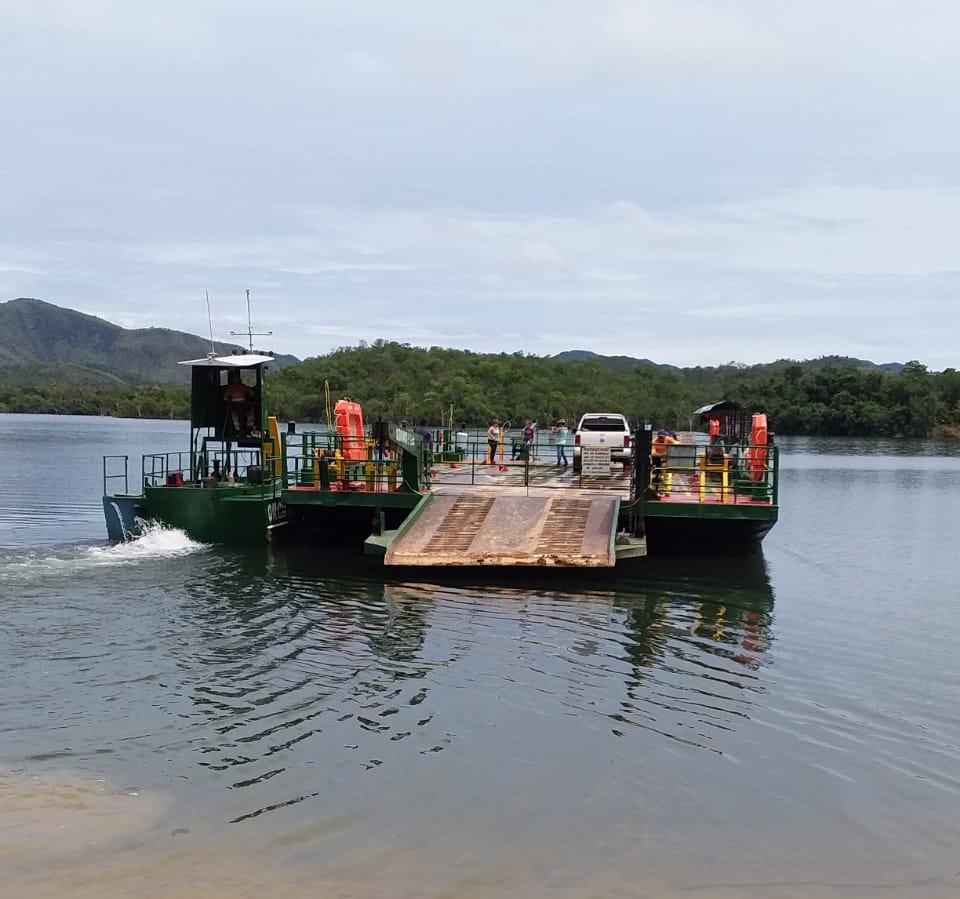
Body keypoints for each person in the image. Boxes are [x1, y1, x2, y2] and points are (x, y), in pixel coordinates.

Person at [651, 428, 678, 495]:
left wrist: (672, 449)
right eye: (659, 437)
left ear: (665, 436)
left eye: (662, 437)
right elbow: (653, 452)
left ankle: (665, 490)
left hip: (666, 459)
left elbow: (677, 443)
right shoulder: (654, 441)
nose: (661, 438)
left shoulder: (668, 439)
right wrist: (663, 454)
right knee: (655, 474)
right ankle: (655, 489)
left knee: (665, 474)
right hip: (657, 459)